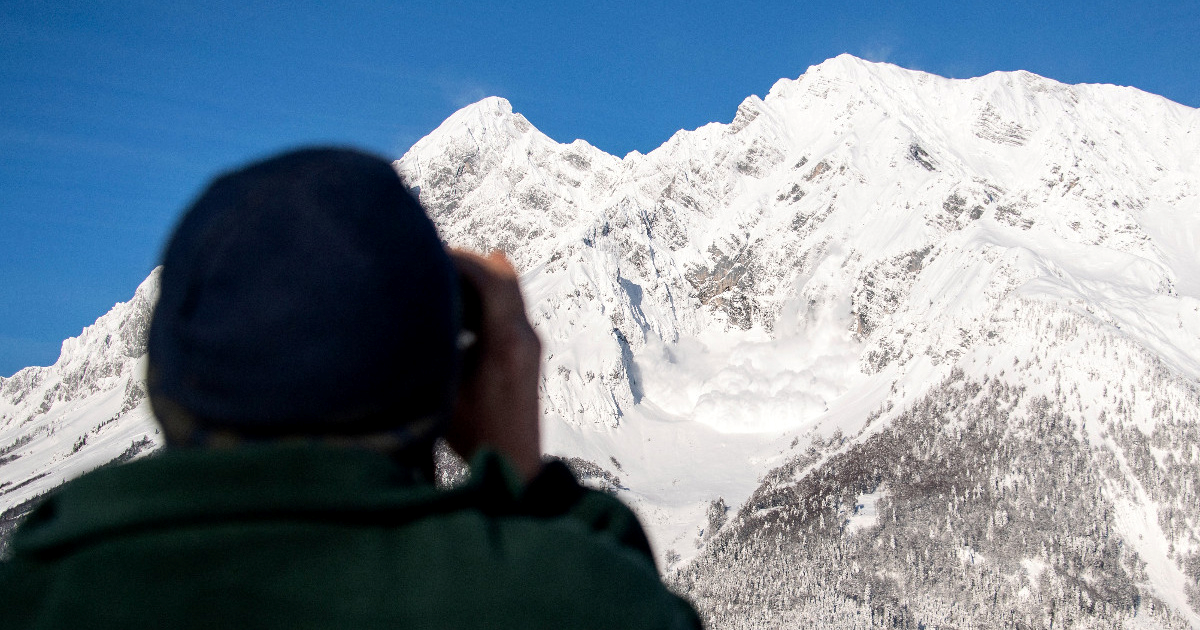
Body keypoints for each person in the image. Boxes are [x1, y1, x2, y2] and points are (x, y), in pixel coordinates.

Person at [0, 148, 702, 629]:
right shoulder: (566, 604)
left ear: (161, 386)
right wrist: (520, 473)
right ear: (451, 375)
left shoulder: (32, 599)